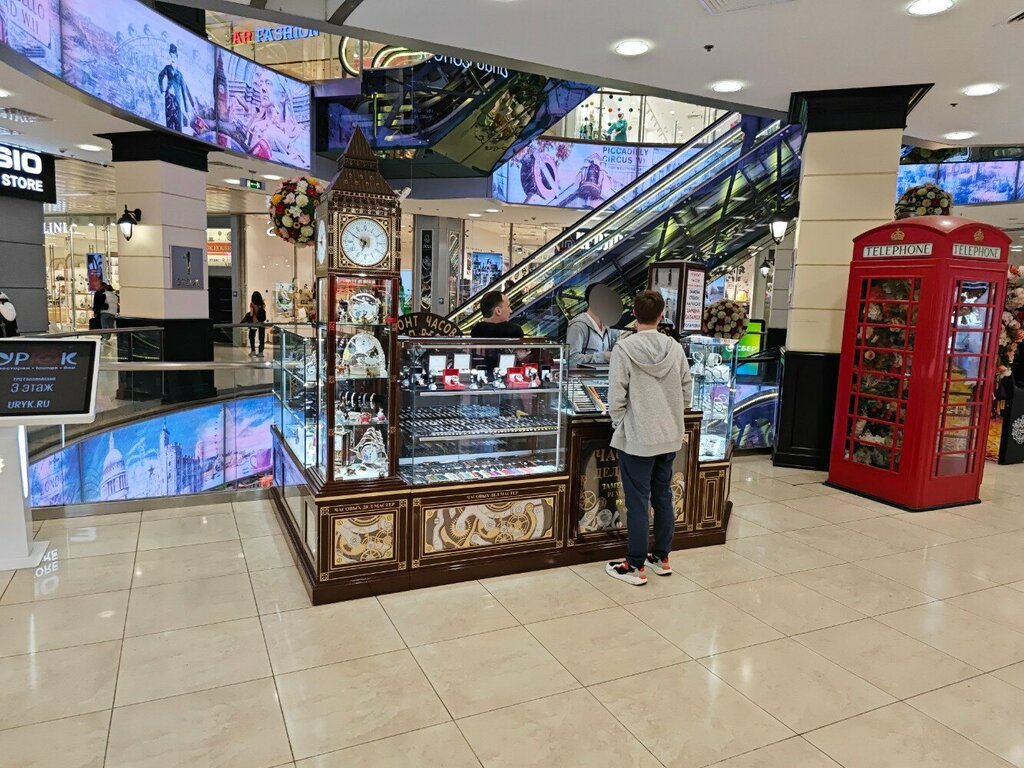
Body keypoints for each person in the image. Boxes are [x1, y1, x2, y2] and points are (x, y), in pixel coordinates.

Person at [605, 290, 693, 586]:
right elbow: (686, 388)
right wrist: (674, 417)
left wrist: (621, 422)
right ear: (662, 314)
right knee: (663, 495)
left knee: (638, 501)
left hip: (639, 436)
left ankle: (634, 564)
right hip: (669, 435)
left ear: (633, 312)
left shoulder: (624, 348)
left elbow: (616, 395)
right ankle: (662, 557)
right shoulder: (674, 348)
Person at [567, 283, 620, 367]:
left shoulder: (608, 326)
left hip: (604, 378)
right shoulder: (578, 326)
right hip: (584, 378)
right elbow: (572, 359)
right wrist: (603, 357)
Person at [244, 291, 268, 357]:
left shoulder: (252, 304)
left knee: (251, 336)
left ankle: (253, 351)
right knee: (261, 337)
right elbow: (262, 313)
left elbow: (251, 314)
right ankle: (261, 352)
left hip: (254, 323)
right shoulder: (263, 304)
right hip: (261, 323)